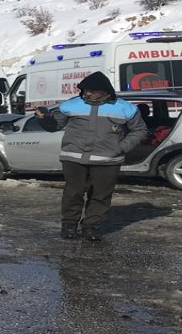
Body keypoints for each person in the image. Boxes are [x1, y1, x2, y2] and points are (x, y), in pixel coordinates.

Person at [35, 71, 147, 241]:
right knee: (73, 193)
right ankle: (69, 226)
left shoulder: (126, 108)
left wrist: (121, 147)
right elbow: (54, 126)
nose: (88, 94)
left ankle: (91, 227)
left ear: (105, 91)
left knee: (101, 195)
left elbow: (139, 130)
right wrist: (44, 119)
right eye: (86, 90)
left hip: (108, 160)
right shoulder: (70, 105)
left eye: (93, 91)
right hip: (73, 157)